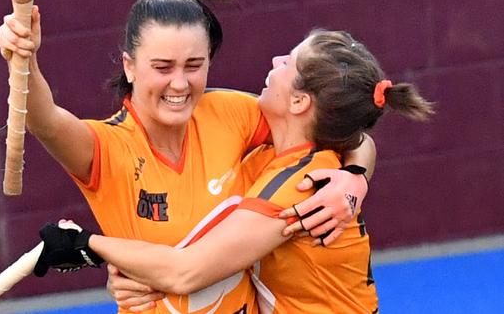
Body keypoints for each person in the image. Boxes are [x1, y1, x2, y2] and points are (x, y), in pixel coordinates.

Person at [0, 0, 377, 313]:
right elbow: (45, 119)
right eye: (163, 67)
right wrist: (24, 60)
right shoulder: (107, 147)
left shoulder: (233, 113)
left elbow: (333, 127)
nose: (179, 84)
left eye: (193, 65)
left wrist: (353, 177)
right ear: (130, 66)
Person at [34, 29, 435, 313]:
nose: (275, 61)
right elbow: (197, 245)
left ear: (298, 101)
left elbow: (186, 271)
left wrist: (88, 245)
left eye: (288, 61)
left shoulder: (300, 186)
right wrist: (129, 273)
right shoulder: (269, 159)